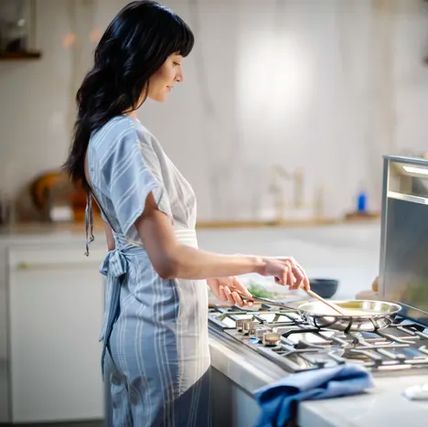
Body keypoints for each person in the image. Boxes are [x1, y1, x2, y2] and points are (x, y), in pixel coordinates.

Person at [63, 2, 310, 425]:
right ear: (146, 57)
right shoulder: (128, 138)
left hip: (132, 325)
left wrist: (208, 271)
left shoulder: (101, 132)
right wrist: (260, 262)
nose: (180, 75)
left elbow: (128, 243)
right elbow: (168, 260)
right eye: (175, 62)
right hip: (163, 333)